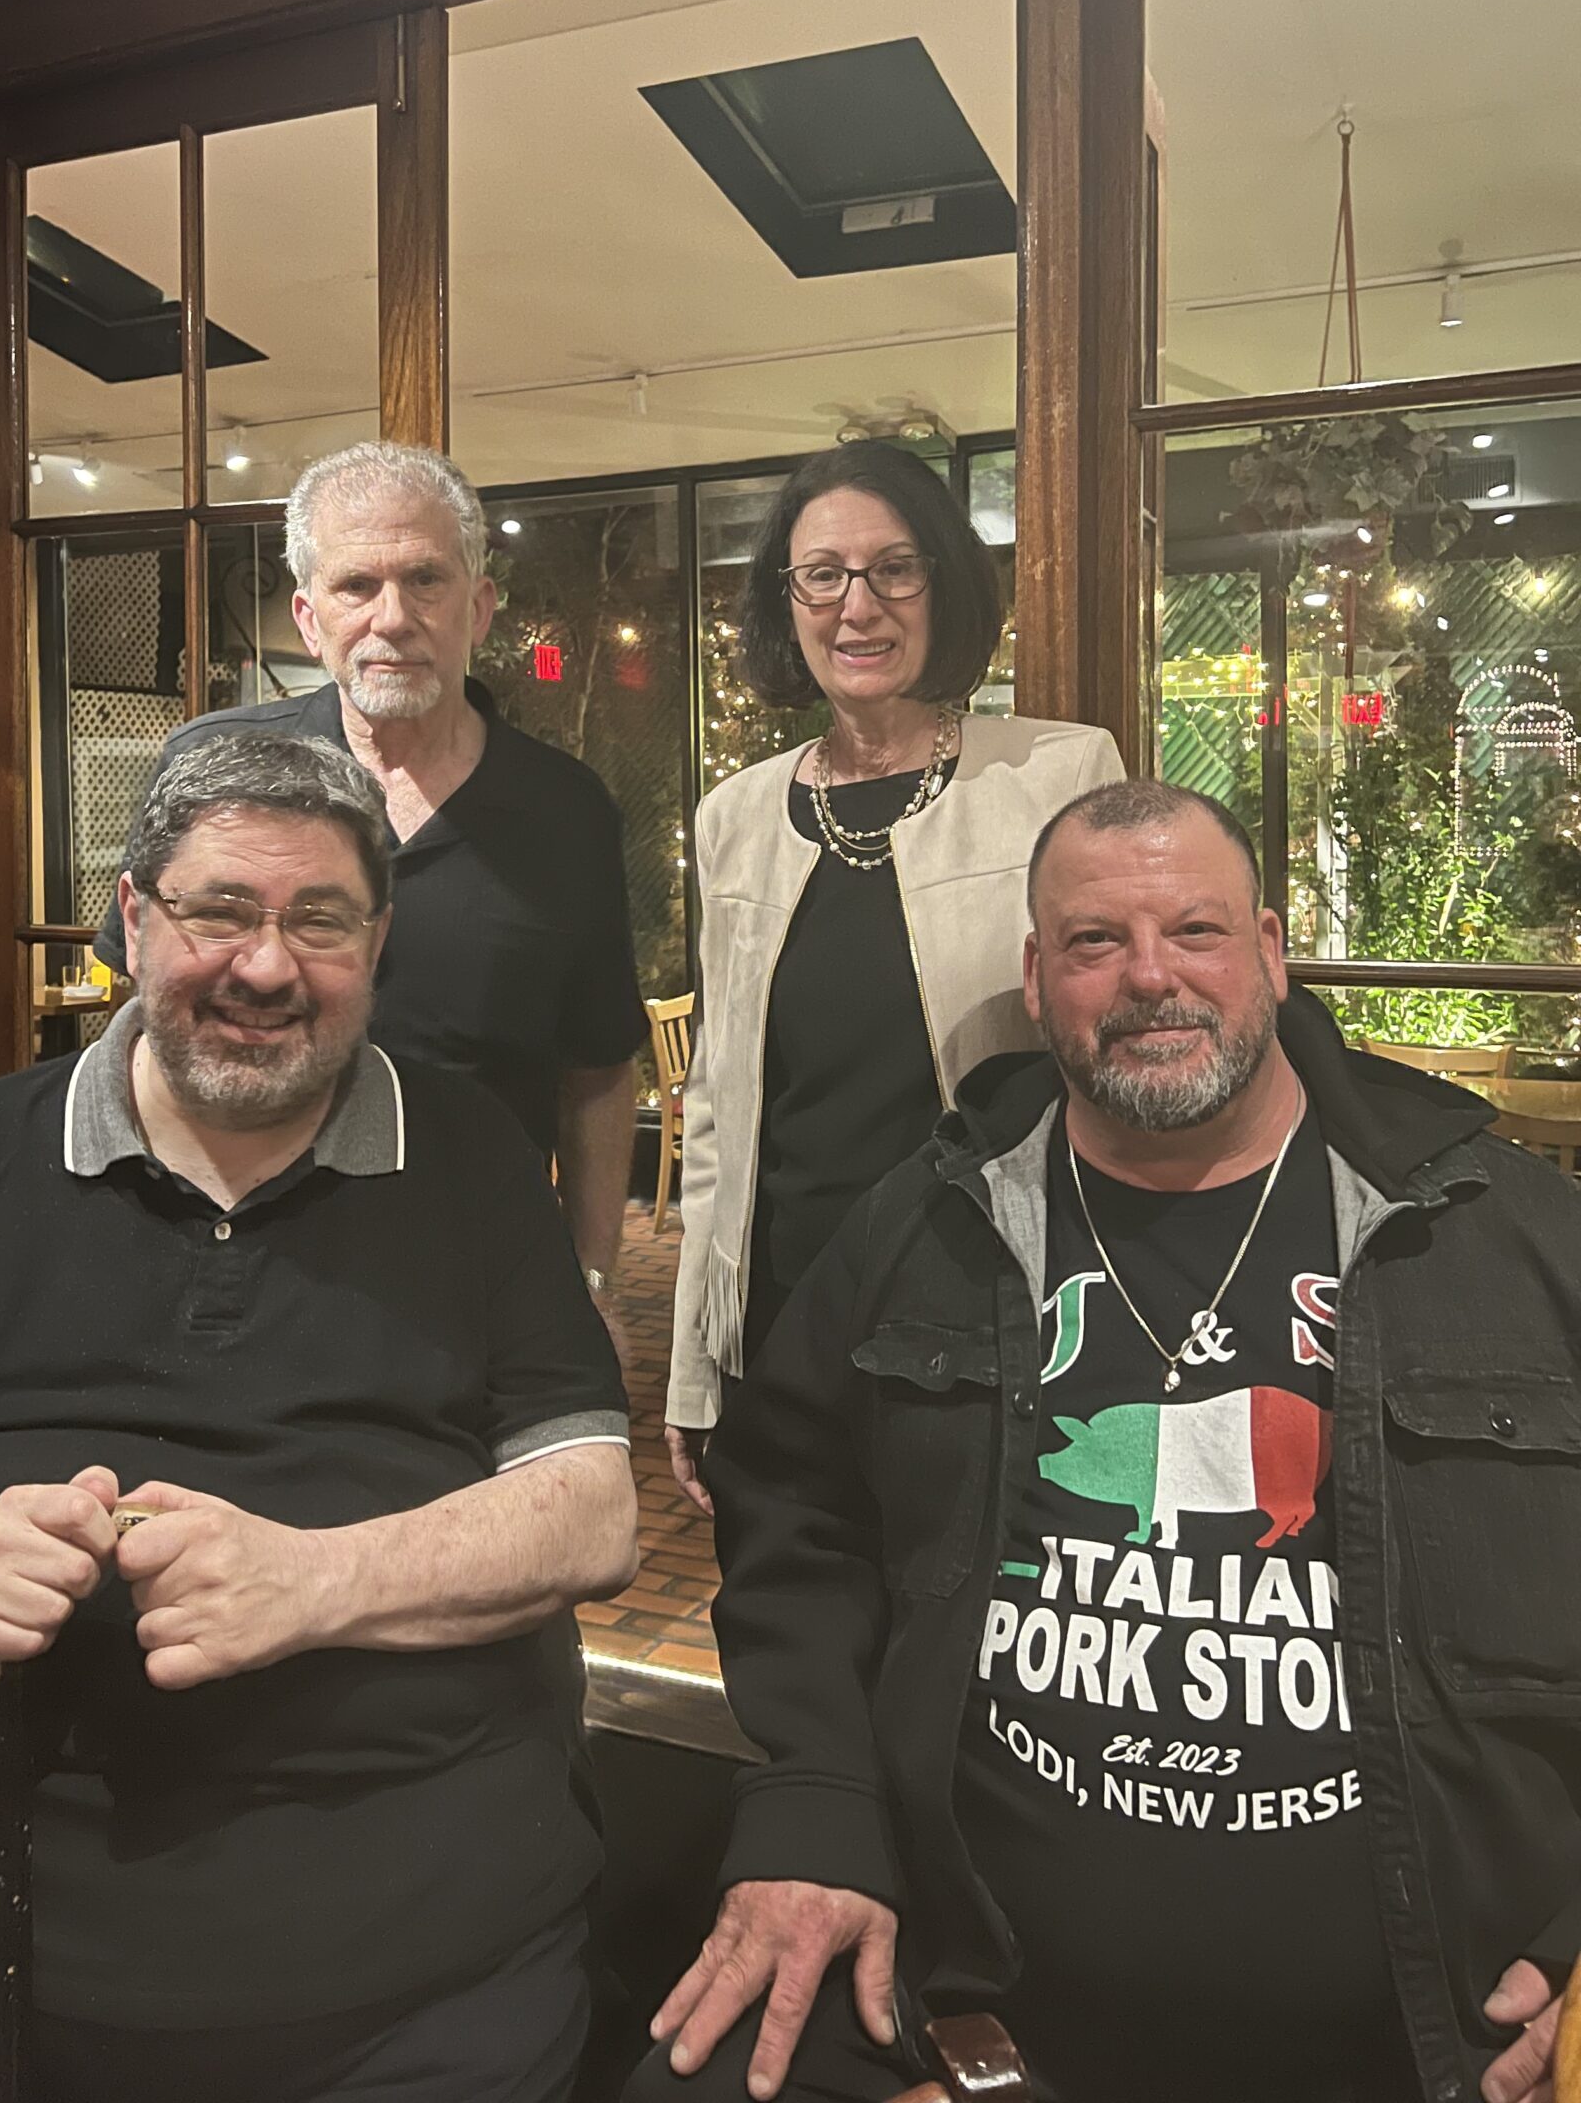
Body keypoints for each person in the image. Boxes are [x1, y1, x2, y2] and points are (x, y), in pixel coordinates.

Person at [0, 731, 638, 2103]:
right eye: (221, 910)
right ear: (134, 917)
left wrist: (314, 1581)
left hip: (378, 2002)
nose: (265, 966)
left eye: (321, 920)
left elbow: (592, 1512)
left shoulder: (474, 1158)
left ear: (381, 939)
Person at [630, 782, 1580, 2103]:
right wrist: (818, 1809)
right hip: (967, 1999)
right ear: (1035, 976)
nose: (1148, 980)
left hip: (1427, 2030)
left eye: (1194, 932)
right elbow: (792, 1510)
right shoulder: (932, 1223)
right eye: (1093, 943)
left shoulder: (1506, 1238)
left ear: (1268, 950)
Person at [664, 441, 1121, 1505]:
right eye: (822, 573)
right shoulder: (736, 816)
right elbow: (716, 1124)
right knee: (790, 1646)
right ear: (790, 600)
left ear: (943, 583)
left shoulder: (1059, 772)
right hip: (784, 1326)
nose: (855, 605)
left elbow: (1117, 1054)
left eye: (893, 568)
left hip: (990, 1324)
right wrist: (694, 1366)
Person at [92, 440, 646, 1283]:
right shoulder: (213, 772)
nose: (393, 618)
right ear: (312, 620)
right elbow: (137, 1029)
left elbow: (598, 1071)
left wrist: (594, 1279)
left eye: (426, 579)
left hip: (475, 1269)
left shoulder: (565, 812)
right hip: (230, 1252)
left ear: (481, 607)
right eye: (357, 586)